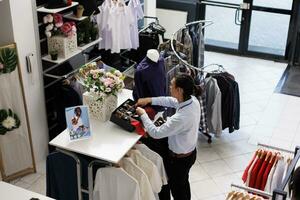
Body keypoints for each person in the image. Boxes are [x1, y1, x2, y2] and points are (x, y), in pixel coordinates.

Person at [135, 74, 202, 200]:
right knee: (183, 185)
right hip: (189, 153)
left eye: (172, 85)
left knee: (178, 191)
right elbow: (171, 101)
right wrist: (149, 100)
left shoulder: (182, 117)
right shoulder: (192, 100)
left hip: (179, 161)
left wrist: (143, 114)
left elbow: (155, 133)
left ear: (179, 90)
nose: (170, 87)